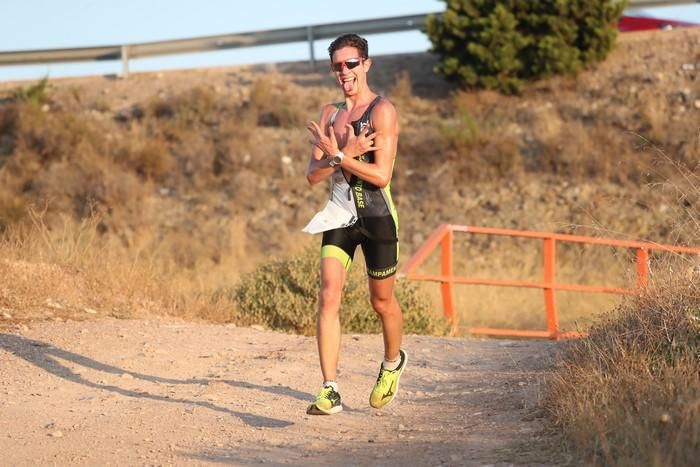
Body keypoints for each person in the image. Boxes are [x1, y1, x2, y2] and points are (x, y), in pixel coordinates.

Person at [304, 33, 406, 415]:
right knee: (329, 294)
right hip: (340, 215)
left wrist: (340, 158)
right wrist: (343, 155)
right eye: (337, 66)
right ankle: (329, 389)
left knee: (381, 302)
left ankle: (393, 362)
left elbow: (381, 176)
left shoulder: (382, 111)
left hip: (377, 217)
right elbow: (313, 176)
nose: (344, 71)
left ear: (366, 64)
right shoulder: (329, 114)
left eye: (350, 63)